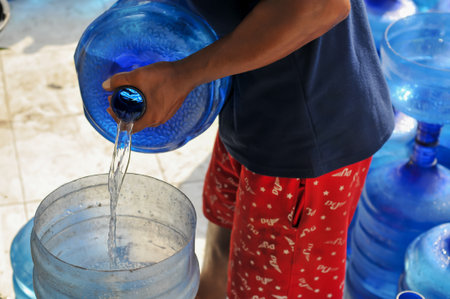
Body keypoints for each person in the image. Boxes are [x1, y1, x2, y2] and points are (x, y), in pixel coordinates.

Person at [102, 0, 395, 297]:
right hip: (246, 116)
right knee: (221, 252)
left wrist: (181, 76)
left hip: (302, 150)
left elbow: (321, 7)